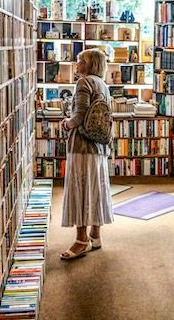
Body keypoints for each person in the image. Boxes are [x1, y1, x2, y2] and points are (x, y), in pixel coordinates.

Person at [59, 48, 114, 260]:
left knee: (80, 190)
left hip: (82, 147)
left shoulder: (83, 83)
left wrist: (66, 124)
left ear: (89, 64)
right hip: (98, 145)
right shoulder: (103, 85)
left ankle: (81, 241)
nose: (77, 62)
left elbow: (79, 116)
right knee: (96, 189)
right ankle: (96, 235)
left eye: (81, 60)